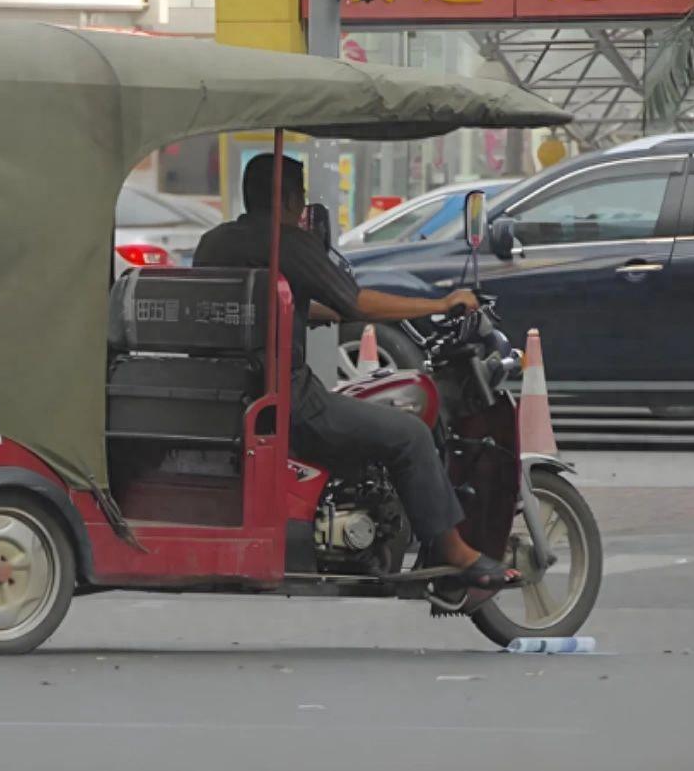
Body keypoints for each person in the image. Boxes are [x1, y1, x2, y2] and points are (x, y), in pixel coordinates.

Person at [193, 153, 519, 589]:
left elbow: (251, 308)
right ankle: (455, 552)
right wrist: (440, 303)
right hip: (288, 400)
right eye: (300, 195)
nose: (302, 205)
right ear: (287, 199)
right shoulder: (287, 242)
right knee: (410, 436)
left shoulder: (214, 242)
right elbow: (357, 301)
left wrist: (311, 311)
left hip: (230, 391)